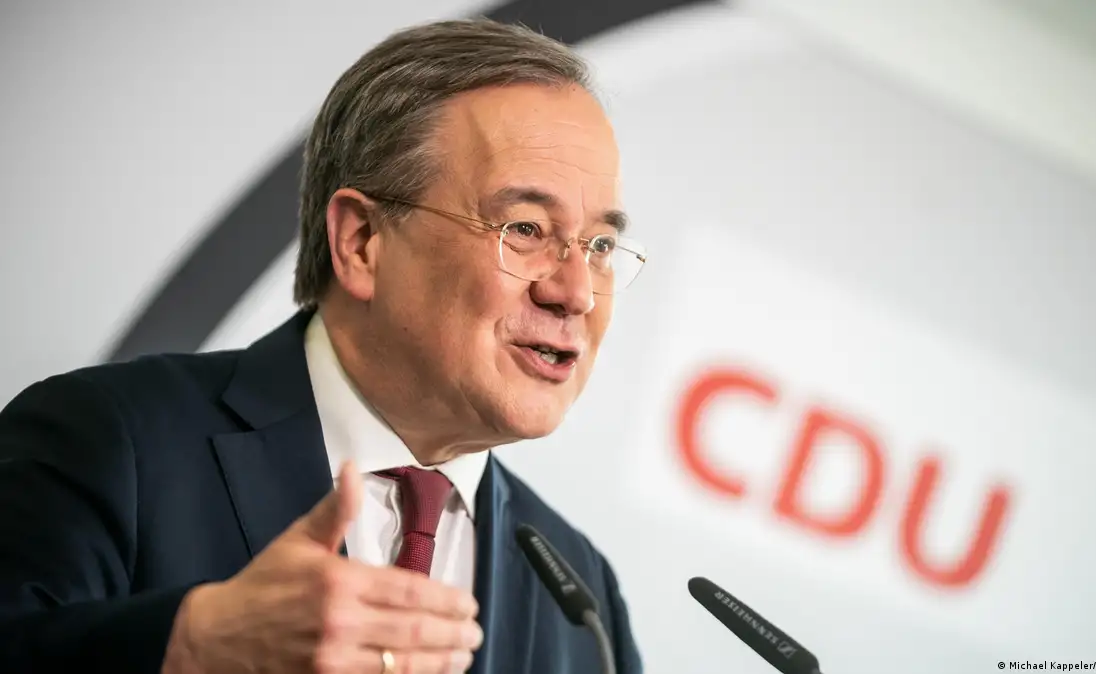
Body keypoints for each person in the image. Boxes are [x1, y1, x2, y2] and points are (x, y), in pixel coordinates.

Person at [0, 18, 648, 674]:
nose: (576, 293)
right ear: (361, 242)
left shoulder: (583, 596)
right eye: (527, 228)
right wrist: (187, 647)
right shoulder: (113, 442)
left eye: (599, 245)